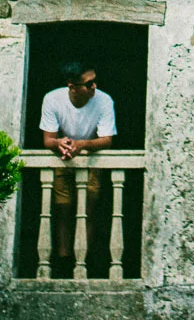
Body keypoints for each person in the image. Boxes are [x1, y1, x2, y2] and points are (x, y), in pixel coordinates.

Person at [41, 60, 116, 268]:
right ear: (72, 87)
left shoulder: (104, 100)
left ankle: (84, 259)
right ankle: (64, 260)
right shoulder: (52, 99)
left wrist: (81, 144)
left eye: (95, 81)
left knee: (87, 210)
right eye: (88, 84)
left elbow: (107, 140)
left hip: (90, 158)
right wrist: (60, 143)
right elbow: (48, 139)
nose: (94, 87)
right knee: (62, 209)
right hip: (63, 158)